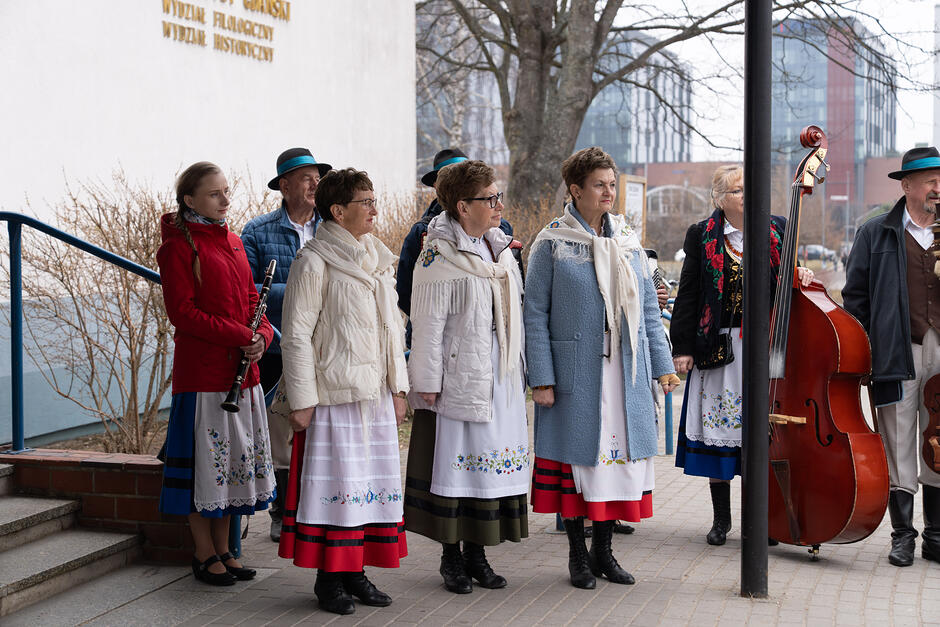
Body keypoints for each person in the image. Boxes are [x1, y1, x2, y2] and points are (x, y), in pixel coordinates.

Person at [524, 146, 679, 590]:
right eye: (599, 184)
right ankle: (577, 556)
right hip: (575, 375)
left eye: (612, 184)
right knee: (578, 462)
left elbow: (649, 310)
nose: (609, 191)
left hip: (624, 373)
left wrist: (662, 367)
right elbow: (534, 313)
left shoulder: (627, 242)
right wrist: (542, 378)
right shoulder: (551, 242)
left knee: (616, 465)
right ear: (576, 189)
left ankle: (604, 553)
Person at [277, 168, 409, 615]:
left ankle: (355, 573)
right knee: (338, 489)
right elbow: (295, 335)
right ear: (338, 211)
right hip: (334, 397)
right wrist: (302, 401)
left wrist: (399, 388)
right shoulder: (313, 260)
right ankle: (328, 580)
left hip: (373, 395)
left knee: (367, 487)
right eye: (366, 201)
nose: (375, 209)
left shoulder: (376, 257)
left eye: (374, 200)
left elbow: (392, 330)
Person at [670, 164, 812, 546]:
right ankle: (721, 521)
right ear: (719, 199)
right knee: (721, 434)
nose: (746, 196)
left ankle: (762, 520)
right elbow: (688, 294)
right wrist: (681, 348)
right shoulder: (702, 235)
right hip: (719, 347)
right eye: (737, 191)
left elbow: (789, 280)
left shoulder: (778, 228)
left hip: (765, 347)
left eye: (750, 188)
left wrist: (803, 275)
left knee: (762, 436)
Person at [405, 159, 529, 594]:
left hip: (500, 374)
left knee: (488, 470)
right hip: (461, 377)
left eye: (498, 196)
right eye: (489, 198)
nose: (498, 205)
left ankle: (479, 553)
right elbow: (427, 325)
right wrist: (427, 383)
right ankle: (451, 557)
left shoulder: (499, 249)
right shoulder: (437, 254)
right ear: (462, 206)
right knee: (458, 470)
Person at [157, 161, 276, 586]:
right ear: (190, 200)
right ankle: (203, 552)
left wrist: (262, 334)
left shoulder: (230, 238)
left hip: (243, 374)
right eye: (214, 194)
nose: (226, 200)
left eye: (227, 191)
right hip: (204, 376)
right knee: (204, 468)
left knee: (231, 468)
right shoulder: (177, 246)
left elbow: (249, 297)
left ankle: (226, 548)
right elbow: (183, 313)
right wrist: (241, 334)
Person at [843, 146, 940, 567]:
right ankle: (903, 536)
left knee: (939, 441)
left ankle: (937, 535)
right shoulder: (875, 232)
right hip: (896, 351)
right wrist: (864, 354)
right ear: (907, 186)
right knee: (898, 443)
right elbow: (855, 298)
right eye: (932, 181)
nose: (939, 188)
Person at [241, 147, 331, 542]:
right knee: (280, 430)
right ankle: (281, 510)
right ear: (284, 185)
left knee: (323, 426)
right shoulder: (258, 231)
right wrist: (304, 288)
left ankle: (319, 504)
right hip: (278, 345)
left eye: (318, 177)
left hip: (325, 343)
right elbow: (247, 290)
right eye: (306, 178)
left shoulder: (333, 224)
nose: (315, 184)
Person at [397, 148, 522, 347]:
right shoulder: (423, 232)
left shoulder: (499, 229)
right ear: (437, 185)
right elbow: (406, 291)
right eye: (448, 175)